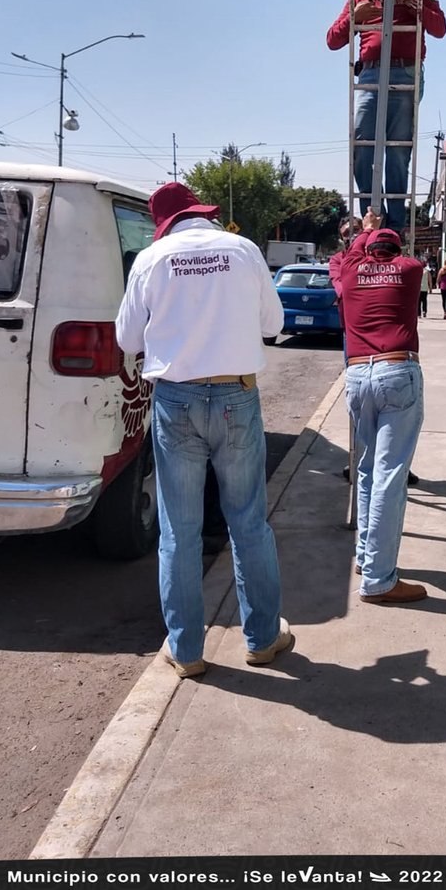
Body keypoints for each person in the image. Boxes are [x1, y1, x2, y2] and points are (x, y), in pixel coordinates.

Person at [115, 182, 292, 678]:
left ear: (164, 223)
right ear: (201, 214)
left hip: (176, 398)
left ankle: (187, 650)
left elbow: (127, 337)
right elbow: (272, 324)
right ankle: (260, 639)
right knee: (248, 520)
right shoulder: (243, 249)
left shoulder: (151, 259)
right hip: (236, 394)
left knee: (179, 529)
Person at [330, 209, 426, 603]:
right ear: (397, 248)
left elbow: (344, 258)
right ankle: (379, 579)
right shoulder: (409, 269)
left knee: (367, 470)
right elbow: (405, 257)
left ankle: (366, 557)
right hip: (396, 371)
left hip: (357, 377)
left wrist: (362, 235)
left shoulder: (349, 271)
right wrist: (376, 235)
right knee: (389, 475)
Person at [327, 0, 446, 234]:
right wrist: (354, 16)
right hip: (369, 74)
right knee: (361, 148)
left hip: (406, 73)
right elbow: (332, 40)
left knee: (398, 152)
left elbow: (440, 28)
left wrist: (414, 5)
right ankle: (373, 216)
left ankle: (394, 226)